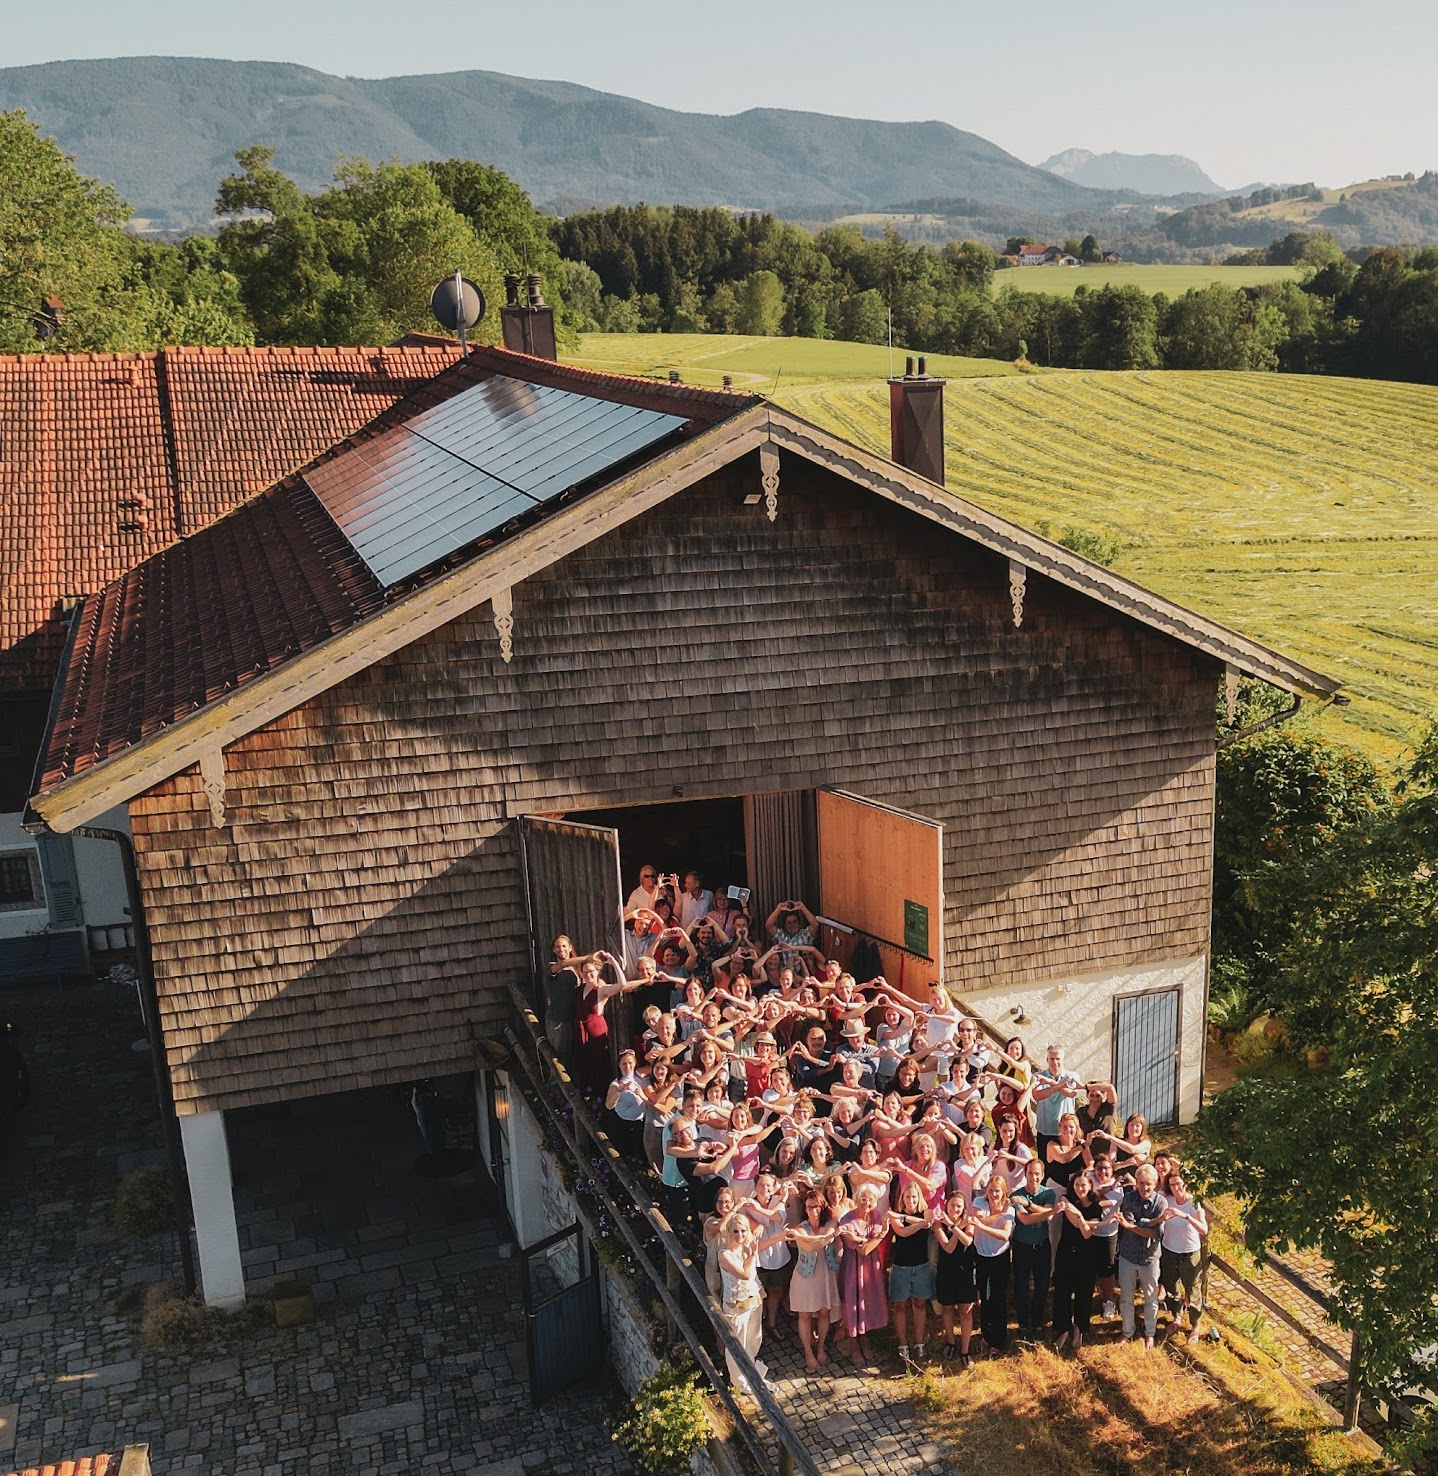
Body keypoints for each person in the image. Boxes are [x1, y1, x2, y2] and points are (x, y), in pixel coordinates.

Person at [718, 1211, 787, 1394]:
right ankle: (739, 1381)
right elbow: (745, 1274)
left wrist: (780, 1237)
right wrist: (752, 1255)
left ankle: (751, 1372)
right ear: (729, 1232)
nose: (740, 1235)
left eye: (743, 1231)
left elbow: (761, 1245)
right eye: (735, 1231)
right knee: (737, 1344)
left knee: (754, 1339)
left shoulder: (746, 1247)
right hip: (736, 1307)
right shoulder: (725, 1255)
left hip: (754, 1301)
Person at [1052, 1169, 1106, 1350]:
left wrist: (1083, 1219)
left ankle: (1079, 1327)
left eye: (1083, 1185)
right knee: (1062, 1292)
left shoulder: (1096, 1206)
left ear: (1090, 1185)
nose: (1079, 1188)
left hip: (1087, 1255)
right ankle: (1063, 1329)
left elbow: (1086, 1234)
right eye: (1076, 1184)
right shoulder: (1066, 1199)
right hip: (1066, 1252)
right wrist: (1090, 1222)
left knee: (1084, 1294)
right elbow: (1079, 1225)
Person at [1116, 1163, 1168, 1348]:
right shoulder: (1128, 1199)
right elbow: (1129, 1223)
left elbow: (1157, 1234)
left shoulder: (1161, 1203)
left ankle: (1150, 1332)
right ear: (1136, 1182)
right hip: (1128, 1256)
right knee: (1126, 1297)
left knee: (1151, 1298)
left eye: (1149, 1183)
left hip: (1150, 1258)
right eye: (1141, 1183)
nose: (1145, 1187)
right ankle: (1127, 1330)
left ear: (1155, 1183)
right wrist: (1147, 1224)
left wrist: (1133, 1226)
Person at [788, 1191, 841, 1369]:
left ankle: (820, 1347)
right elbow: (810, 1246)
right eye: (809, 1206)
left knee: (824, 1312)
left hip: (826, 1273)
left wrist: (815, 1238)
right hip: (805, 1276)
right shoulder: (801, 1228)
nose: (813, 1210)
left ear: (822, 1207)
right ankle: (808, 1352)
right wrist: (826, 1237)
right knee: (805, 1315)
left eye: (816, 1206)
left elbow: (813, 1241)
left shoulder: (831, 1222)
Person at [838, 1183, 890, 1366]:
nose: (867, 1203)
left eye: (871, 1199)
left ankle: (865, 1337)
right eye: (863, 1199)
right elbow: (863, 1251)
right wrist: (879, 1236)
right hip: (853, 1267)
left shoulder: (876, 1216)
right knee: (853, 1303)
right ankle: (853, 1343)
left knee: (866, 1301)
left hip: (870, 1269)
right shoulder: (846, 1219)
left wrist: (868, 1239)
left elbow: (867, 1246)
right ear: (857, 1199)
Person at [1011, 1156, 1061, 1343]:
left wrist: (1029, 1205)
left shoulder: (1049, 1193)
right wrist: (1041, 1212)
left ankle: (1038, 1324)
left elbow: (1048, 1216)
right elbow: (1024, 1219)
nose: (1033, 1177)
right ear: (1025, 1174)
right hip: (1022, 1246)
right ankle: (1024, 1324)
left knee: (1042, 1286)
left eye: (1037, 1174)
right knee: (1021, 1288)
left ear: (1043, 1175)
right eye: (1030, 1173)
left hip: (1042, 1246)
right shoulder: (1016, 1193)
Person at [887, 1178, 935, 1367]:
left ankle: (920, 1342)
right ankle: (903, 1344)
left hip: (922, 1267)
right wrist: (919, 1223)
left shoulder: (927, 1212)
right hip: (901, 1268)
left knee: (920, 1305)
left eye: (914, 1196)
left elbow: (929, 1222)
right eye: (907, 1196)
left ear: (919, 1197)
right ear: (902, 1197)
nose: (911, 1200)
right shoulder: (895, 1215)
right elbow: (903, 1233)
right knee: (900, 1306)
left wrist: (907, 1219)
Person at [575, 953, 639, 1095]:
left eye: (591, 971)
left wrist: (614, 962)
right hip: (581, 1030)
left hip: (596, 1028)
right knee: (585, 1064)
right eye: (585, 972)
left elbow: (622, 984)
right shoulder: (581, 988)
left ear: (597, 971)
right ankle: (587, 1094)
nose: (588, 974)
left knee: (598, 1063)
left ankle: (602, 1095)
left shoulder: (601, 989)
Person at [1159, 1169, 1209, 1343]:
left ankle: (1195, 1326)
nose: (1175, 1188)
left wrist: (1186, 1216)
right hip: (1169, 1251)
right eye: (1172, 1184)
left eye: (1179, 1184)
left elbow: (1204, 1230)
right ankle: (1177, 1318)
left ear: (1185, 1184)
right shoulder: (1166, 1199)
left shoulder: (1193, 1203)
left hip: (1189, 1253)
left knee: (1192, 1290)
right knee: (1171, 1288)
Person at [934, 1190, 979, 1367]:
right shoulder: (939, 1224)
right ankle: (951, 1341)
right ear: (946, 1205)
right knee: (947, 1309)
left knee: (966, 1311)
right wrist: (955, 1228)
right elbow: (948, 1247)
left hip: (965, 1271)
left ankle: (965, 1350)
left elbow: (968, 1242)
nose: (955, 1209)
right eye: (952, 1205)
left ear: (964, 1208)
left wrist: (953, 1226)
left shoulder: (969, 1222)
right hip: (946, 1271)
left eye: (959, 1206)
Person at [744, 1171, 793, 1331]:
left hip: (778, 1254)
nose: (764, 1188)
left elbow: (778, 1217)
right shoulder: (748, 1203)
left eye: (768, 1185)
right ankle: (758, 1326)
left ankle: (772, 1323)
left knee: (776, 1290)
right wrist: (755, 1219)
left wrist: (759, 1210)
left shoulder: (779, 1201)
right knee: (758, 1292)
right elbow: (745, 1220)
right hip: (758, 1256)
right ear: (756, 1186)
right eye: (761, 1185)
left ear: (773, 1188)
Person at [972, 1173, 1015, 1354]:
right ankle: (986, 1335)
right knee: (984, 1297)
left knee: (998, 1298)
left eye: (997, 1191)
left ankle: (998, 1339)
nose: (993, 1194)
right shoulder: (979, 1203)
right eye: (991, 1190)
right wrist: (998, 1215)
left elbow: (1005, 1235)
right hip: (981, 1255)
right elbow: (977, 1219)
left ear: (1004, 1192)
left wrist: (982, 1225)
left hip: (1000, 1257)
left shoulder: (1010, 1209)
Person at [1032, 1045, 1083, 1163]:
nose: (1055, 1062)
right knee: (1044, 1169)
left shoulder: (1072, 1076)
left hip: (1066, 1133)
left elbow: (1071, 1093)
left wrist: (1050, 1083)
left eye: (1058, 1059)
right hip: (1045, 1131)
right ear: (1047, 1060)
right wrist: (1059, 1085)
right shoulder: (1038, 1076)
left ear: (1063, 1059)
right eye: (1052, 1059)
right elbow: (1037, 1095)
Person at [604, 1049, 647, 1159]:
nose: (627, 1066)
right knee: (623, 1155)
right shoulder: (615, 1084)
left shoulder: (640, 1076)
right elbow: (609, 1105)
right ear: (619, 1065)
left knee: (641, 1154)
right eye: (624, 1063)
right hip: (623, 1124)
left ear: (635, 1063)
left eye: (630, 1063)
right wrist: (619, 1091)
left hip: (641, 1122)